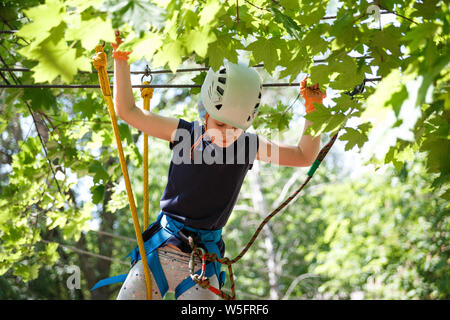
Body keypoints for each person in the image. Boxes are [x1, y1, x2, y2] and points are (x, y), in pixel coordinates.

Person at [94, 34, 326, 300]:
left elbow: (302, 155)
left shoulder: (247, 146)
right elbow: (129, 111)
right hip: (160, 250)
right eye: (221, 124)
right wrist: (121, 60)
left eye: (235, 128)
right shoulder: (184, 133)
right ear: (205, 113)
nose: (228, 133)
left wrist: (313, 108)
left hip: (202, 262)